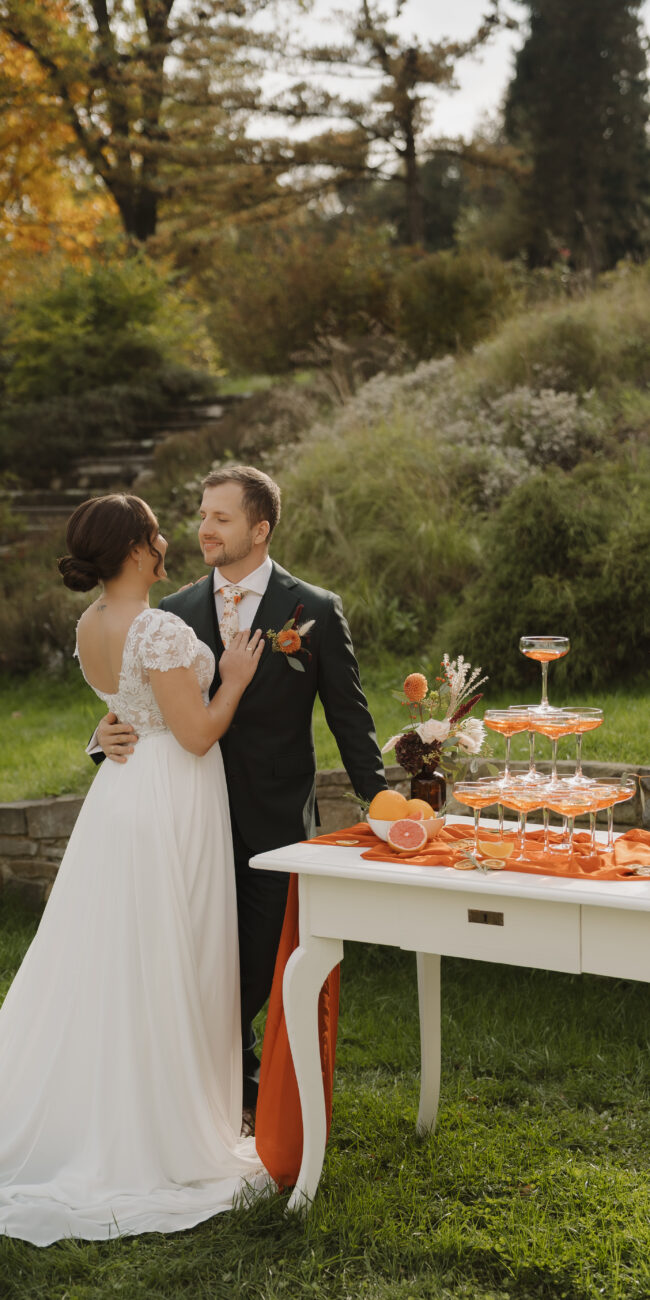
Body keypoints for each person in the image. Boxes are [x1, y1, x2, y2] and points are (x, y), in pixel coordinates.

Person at [0, 493, 269, 1246]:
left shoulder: (90, 623)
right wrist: (235, 677)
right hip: (169, 801)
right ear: (132, 549)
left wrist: (106, 730)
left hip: (121, 798)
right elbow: (196, 734)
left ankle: (119, 1102)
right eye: (154, 533)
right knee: (169, 955)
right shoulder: (158, 628)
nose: (165, 542)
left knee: (118, 959)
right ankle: (159, 1126)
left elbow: (125, 705)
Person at [96, 465, 387, 1126]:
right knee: (200, 962)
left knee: (254, 967)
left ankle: (206, 1088)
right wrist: (101, 738)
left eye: (220, 518)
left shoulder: (314, 609)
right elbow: (146, 703)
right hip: (186, 816)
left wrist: (381, 804)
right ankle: (230, 1093)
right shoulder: (172, 612)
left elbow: (350, 717)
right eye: (202, 515)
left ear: (260, 529)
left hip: (274, 818)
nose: (204, 529)